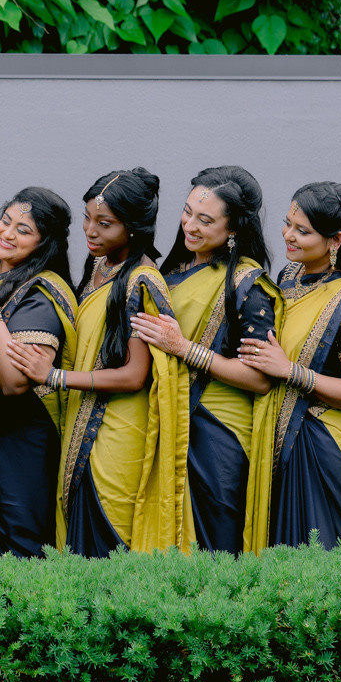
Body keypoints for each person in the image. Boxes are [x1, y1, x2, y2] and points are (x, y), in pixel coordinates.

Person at [20, 168, 181, 555]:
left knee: (105, 543)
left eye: (104, 223)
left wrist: (54, 376)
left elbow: (134, 374)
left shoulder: (142, 281)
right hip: (85, 418)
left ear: (134, 227)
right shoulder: (100, 266)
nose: (90, 231)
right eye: (88, 218)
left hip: (118, 433)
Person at [239, 182, 341, 551]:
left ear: (335, 240)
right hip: (281, 436)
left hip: (323, 446)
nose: (288, 235)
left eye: (303, 231)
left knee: (315, 560)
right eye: (288, 224)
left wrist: (291, 371)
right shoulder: (287, 277)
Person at [129, 166, 282, 555]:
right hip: (170, 420)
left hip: (218, 434)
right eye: (187, 212)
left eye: (205, 220)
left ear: (233, 230)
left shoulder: (248, 283)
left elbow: (260, 378)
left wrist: (184, 349)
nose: (190, 226)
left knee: (214, 545)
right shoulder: (176, 272)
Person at [0, 187, 77, 556]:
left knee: (16, 545)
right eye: (5, 221)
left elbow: (13, 382)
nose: (7, 234)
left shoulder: (43, 292)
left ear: (45, 242)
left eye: (23, 230)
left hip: (17, 442)